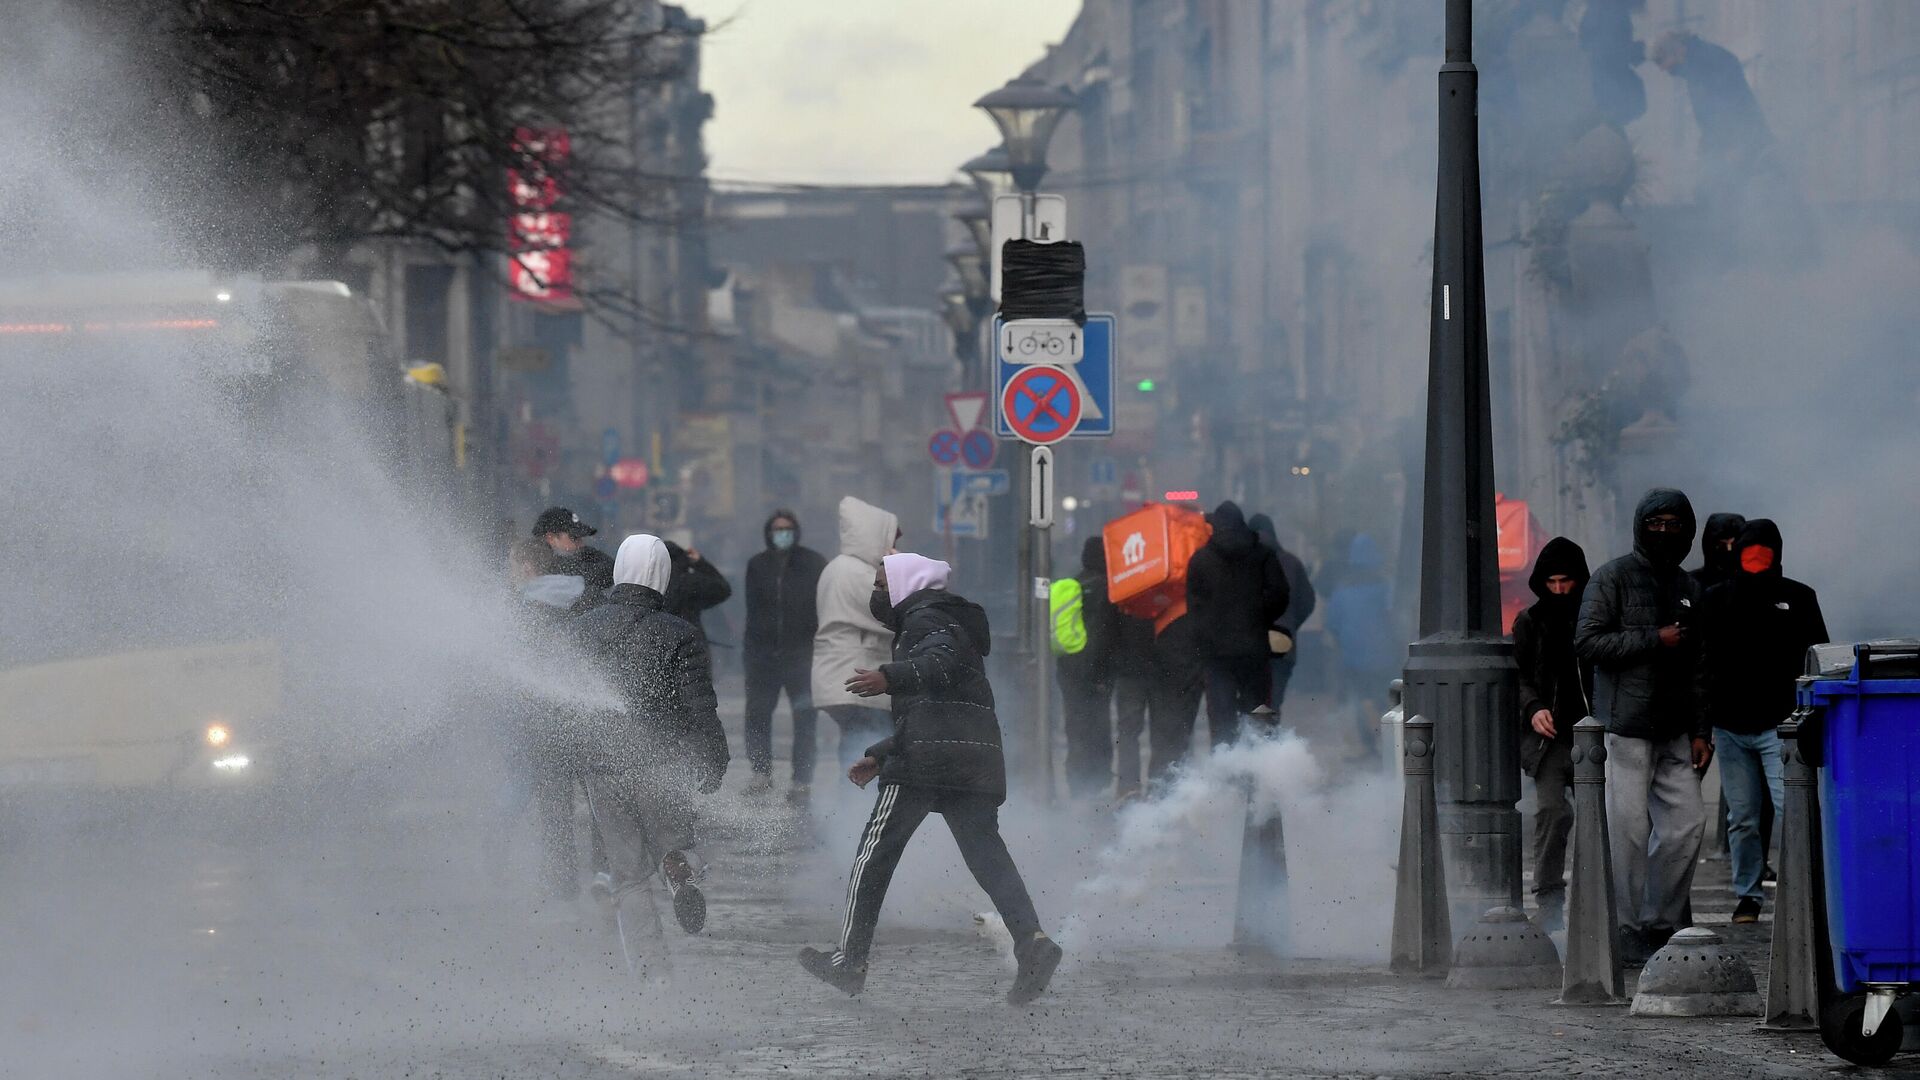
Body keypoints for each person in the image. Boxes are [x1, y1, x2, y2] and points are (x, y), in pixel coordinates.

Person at [799, 553, 1061, 1004]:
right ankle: (1032, 942)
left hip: (927, 762)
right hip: (969, 758)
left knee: (873, 856)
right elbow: (937, 705)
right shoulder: (948, 619)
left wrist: (888, 676)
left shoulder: (925, 620)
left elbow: (941, 664)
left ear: (904, 584)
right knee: (987, 856)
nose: (877, 594)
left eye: (882, 585)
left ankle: (849, 961)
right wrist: (882, 755)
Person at [571, 534, 730, 979]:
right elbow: (701, 707)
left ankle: (653, 973)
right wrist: (714, 760)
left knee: (628, 875)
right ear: (662, 574)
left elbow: (568, 708)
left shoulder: (582, 629)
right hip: (663, 763)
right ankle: (679, 873)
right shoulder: (681, 634)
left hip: (603, 767)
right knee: (675, 844)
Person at [1575, 488, 1710, 964]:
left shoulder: (1689, 588)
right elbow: (1588, 642)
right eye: (1657, 522)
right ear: (1639, 525)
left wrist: (1701, 731)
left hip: (1674, 728)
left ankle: (1661, 920)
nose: (1665, 531)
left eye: (1675, 523)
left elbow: (1698, 666)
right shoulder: (1611, 577)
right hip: (1625, 725)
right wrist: (1655, 639)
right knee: (1628, 831)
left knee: (1688, 825)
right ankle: (1625, 926)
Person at [1701, 518, 1827, 924]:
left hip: (1780, 726)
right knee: (1745, 817)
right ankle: (1752, 894)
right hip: (1736, 725)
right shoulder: (1717, 599)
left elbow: (1817, 661)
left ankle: (1795, 889)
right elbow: (1702, 666)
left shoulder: (1798, 598)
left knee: (1786, 809)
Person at [1512, 536, 1593, 933]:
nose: (1560, 590)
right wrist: (1533, 709)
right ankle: (1548, 901)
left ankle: (1597, 897)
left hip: (1593, 735)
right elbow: (1521, 677)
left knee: (1602, 818)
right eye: (1552, 582)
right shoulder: (1529, 621)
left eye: (1567, 582)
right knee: (1552, 812)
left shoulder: (1594, 618)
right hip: (1550, 738)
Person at [1186, 502, 1290, 748]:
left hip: (1216, 656)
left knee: (1221, 717)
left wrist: (1205, 637)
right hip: (1255, 652)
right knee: (1257, 714)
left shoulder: (1200, 560)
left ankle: (1226, 773)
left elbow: (1194, 608)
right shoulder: (1263, 555)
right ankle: (1254, 773)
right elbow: (1280, 595)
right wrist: (1260, 617)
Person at [742, 510, 827, 800]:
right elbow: (752, 612)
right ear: (768, 532)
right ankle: (760, 772)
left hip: (802, 655)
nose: (783, 533)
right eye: (778, 529)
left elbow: (823, 607)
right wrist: (751, 654)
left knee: (805, 717)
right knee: (757, 714)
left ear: (796, 530)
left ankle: (802, 779)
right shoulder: (757, 565)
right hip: (763, 657)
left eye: (788, 528)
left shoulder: (813, 563)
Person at [812, 497, 901, 768]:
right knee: (868, 744)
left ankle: (848, 803)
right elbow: (893, 610)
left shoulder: (839, 568)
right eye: (892, 537)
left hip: (840, 676)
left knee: (856, 739)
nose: (895, 545)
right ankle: (858, 804)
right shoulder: (856, 572)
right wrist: (902, 570)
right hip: (856, 677)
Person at [1323, 533, 1399, 758]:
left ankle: (1370, 744)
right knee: (1386, 698)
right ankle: (1390, 743)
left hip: (1353, 657)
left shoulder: (1342, 590)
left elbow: (1333, 624)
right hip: (1385, 654)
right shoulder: (1387, 588)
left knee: (1361, 698)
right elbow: (1395, 618)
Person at [1057, 536, 1119, 798]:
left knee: (1074, 724)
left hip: (1068, 669)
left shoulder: (1074, 585)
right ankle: (1097, 780)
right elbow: (1104, 635)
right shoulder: (1108, 589)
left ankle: (1076, 781)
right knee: (1098, 725)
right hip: (1096, 672)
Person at [1248, 513, 1317, 719]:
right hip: (1282, 640)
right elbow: (1307, 602)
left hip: (1250, 642)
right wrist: (1290, 624)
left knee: (1251, 701)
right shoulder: (1291, 562)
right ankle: (1271, 743)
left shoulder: (1241, 563)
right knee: (1273, 701)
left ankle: (1252, 744)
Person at [662, 539, 732, 645]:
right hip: (690, 644)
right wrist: (700, 563)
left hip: (659, 643)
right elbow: (723, 589)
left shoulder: (651, 582)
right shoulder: (690, 582)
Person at [534, 506, 615, 592]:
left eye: (581, 537)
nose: (580, 544)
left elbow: (611, 569)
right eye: (574, 537)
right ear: (551, 538)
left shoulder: (584, 555)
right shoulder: (536, 564)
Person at [1692, 512, 1746, 594]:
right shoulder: (1691, 584)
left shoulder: (1754, 583)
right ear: (1709, 545)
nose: (1729, 549)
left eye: (1734, 544)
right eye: (1722, 544)